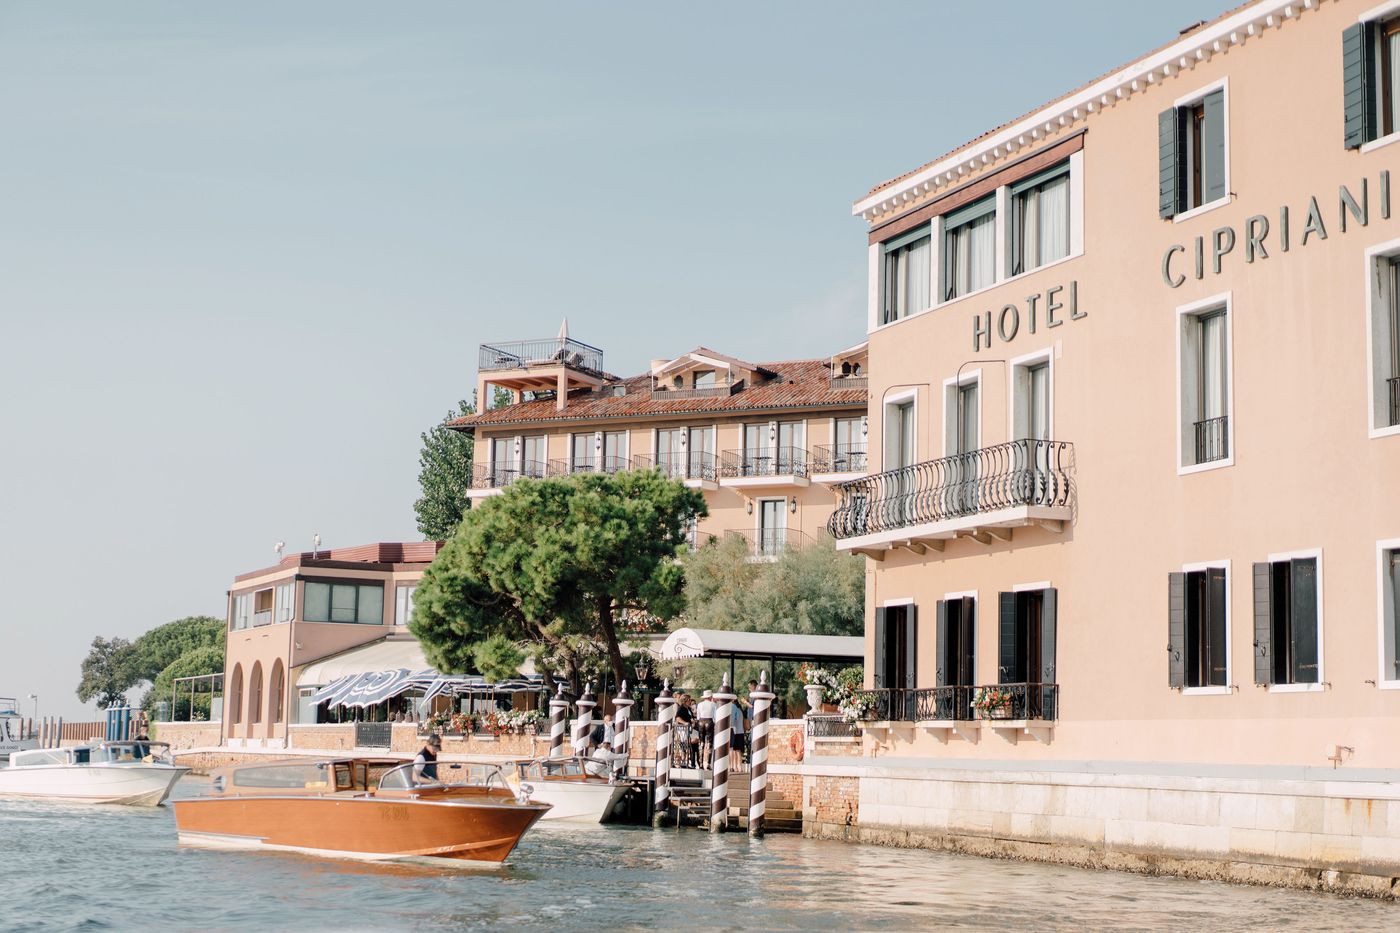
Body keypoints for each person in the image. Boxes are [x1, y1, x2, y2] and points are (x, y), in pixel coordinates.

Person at [696, 690, 715, 769]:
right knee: (709, 742)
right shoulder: (713, 704)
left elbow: (698, 716)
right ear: (710, 697)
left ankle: (700, 763)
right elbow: (715, 716)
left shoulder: (700, 704)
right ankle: (708, 763)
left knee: (701, 742)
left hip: (701, 722)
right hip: (709, 721)